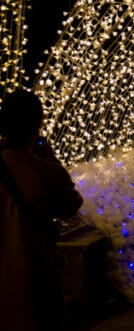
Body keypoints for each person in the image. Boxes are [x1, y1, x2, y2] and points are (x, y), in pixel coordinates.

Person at [0, 90, 84, 330]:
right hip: (34, 277)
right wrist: (51, 161)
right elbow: (71, 204)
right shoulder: (46, 172)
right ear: (38, 123)